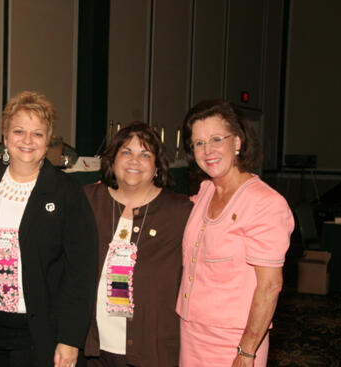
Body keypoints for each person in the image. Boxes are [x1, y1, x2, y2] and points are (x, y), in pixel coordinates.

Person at [0, 90, 98, 367]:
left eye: (37, 133)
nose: (27, 141)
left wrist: (71, 338)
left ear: (48, 140)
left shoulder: (67, 194)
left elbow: (81, 273)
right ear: (5, 137)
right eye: (18, 131)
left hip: (42, 335)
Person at [176, 99, 294, 367]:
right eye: (199, 143)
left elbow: (270, 286)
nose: (208, 150)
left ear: (238, 142)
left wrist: (247, 351)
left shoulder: (265, 203)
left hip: (235, 340)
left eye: (217, 139)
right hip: (191, 329)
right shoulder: (206, 192)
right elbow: (170, 209)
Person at [84, 122, 193, 367]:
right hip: (94, 348)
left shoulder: (179, 212)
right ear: (112, 161)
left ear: (157, 166)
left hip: (151, 350)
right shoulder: (88, 201)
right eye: (126, 152)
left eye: (145, 154)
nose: (135, 161)